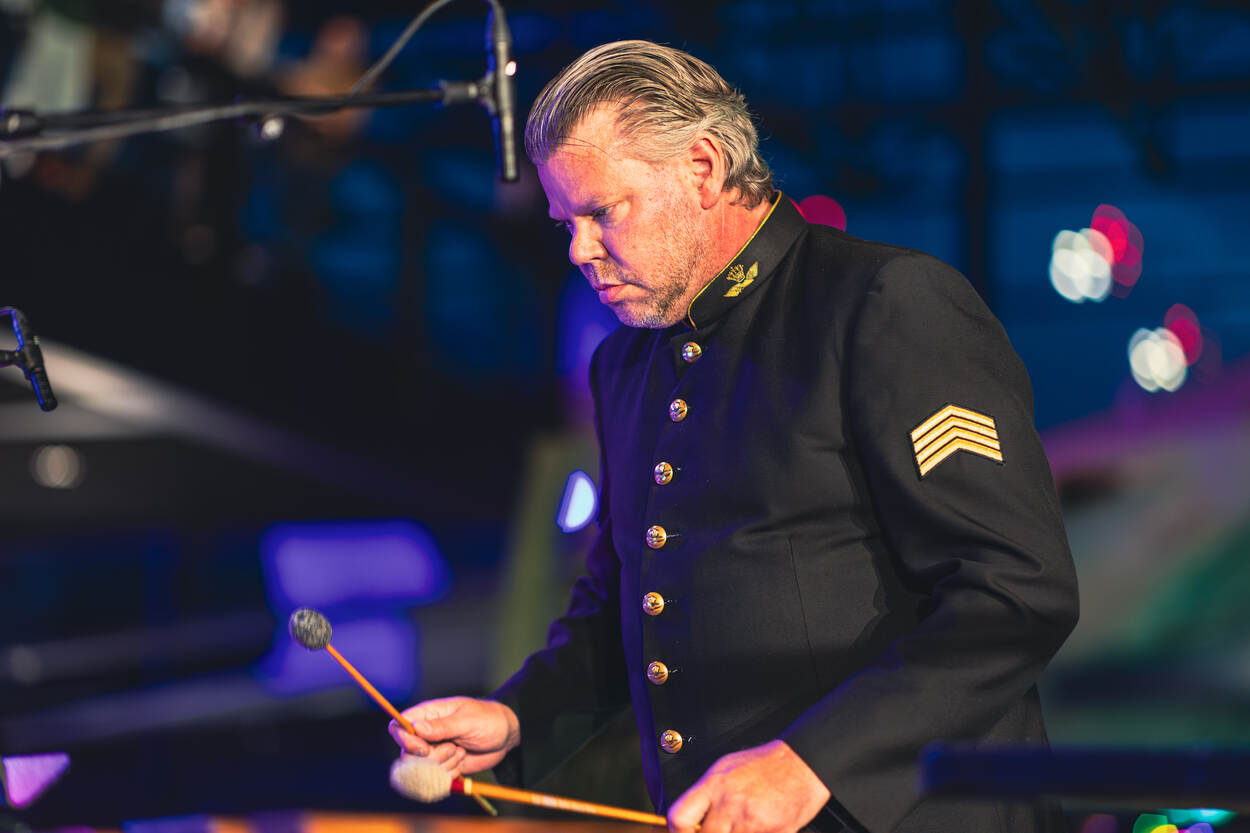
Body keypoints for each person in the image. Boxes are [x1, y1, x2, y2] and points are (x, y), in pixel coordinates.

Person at [391, 40, 1080, 833]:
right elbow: (626, 603)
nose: (578, 250)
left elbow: (1015, 590)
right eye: (564, 222)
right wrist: (517, 722)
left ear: (704, 169)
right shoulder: (626, 365)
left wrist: (814, 760)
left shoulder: (884, 303)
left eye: (601, 212)